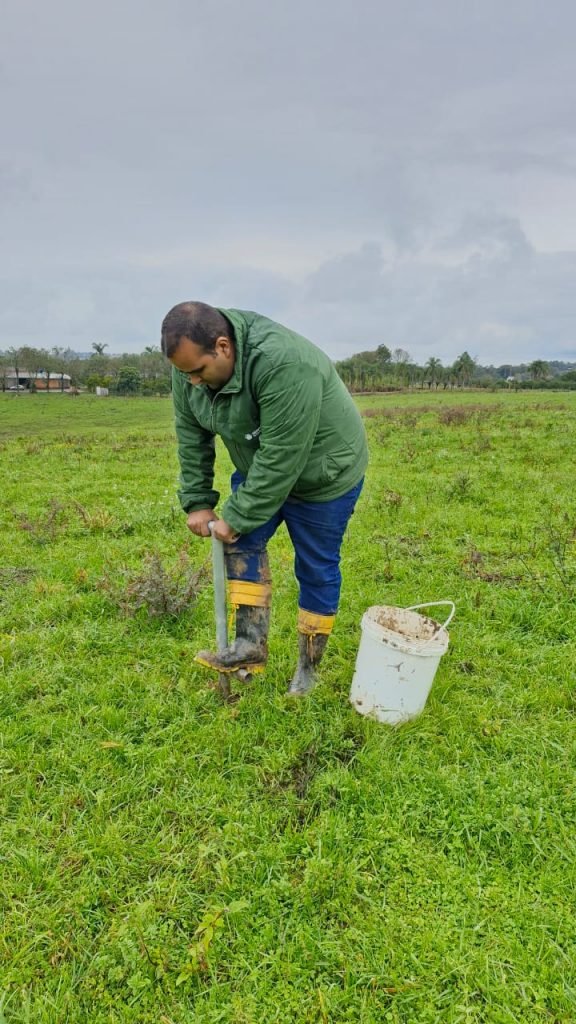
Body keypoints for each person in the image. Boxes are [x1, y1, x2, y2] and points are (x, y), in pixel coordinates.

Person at [161, 301, 368, 695]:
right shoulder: (189, 372)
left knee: (317, 567)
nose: (193, 383)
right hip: (262, 463)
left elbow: (282, 458)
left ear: (223, 346)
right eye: (185, 374)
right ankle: (248, 646)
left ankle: (308, 669)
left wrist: (236, 514)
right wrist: (198, 501)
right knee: (240, 543)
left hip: (324, 473)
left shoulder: (284, 363)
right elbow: (191, 436)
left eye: (199, 372)